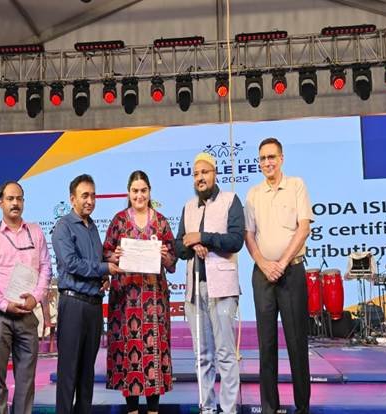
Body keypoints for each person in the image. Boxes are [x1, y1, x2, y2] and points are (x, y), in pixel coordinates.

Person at [244, 137, 314, 414]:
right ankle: (269, 408)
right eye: (262, 158)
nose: (267, 162)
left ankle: (303, 407)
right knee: (266, 344)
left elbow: (304, 228)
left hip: (291, 271)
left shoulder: (296, 185)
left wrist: (282, 263)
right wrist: (263, 263)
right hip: (262, 275)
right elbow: (249, 236)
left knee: (297, 343)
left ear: (281, 158)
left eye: (271, 157)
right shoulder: (253, 194)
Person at [175, 152, 245, 414]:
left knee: (225, 354)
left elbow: (235, 241)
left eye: (204, 172)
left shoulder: (230, 201)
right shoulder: (188, 207)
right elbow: (179, 246)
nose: (200, 178)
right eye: (196, 174)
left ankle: (228, 409)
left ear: (215, 173)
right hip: (195, 290)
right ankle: (207, 407)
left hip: (223, 290)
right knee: (202, 355)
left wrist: (203, 237)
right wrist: (193, 244)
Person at [103, 170, 177, 414]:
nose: (139, 195)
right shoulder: (118, 221)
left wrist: (165, 256)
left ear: (150, 192)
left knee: (154, 350)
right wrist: (113, 256)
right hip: (125, 301)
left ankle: (154, 411)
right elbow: (105, 253)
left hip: (154, 301)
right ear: (128, 192)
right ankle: (132, 410)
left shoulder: (161, 222)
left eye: (143, 190)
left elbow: (173, 262)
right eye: (135, 191)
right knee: (129, 354)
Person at [0, 181, 52, 414]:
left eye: (19, 198)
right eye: (10, 199)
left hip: (27, 314)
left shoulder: (36, 232)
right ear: (1, 203)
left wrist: (36, 298)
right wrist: (4, 304)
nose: (15, 203)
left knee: (26, 379)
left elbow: (46, 268)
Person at [52, 174, 120, 414]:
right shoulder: (63, 226)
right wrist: (104, 268)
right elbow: (71, 263)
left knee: (87, 374)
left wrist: (104, 275)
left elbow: (94, 261)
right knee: (68, 373)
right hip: (73, 304)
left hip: (93, 306)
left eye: (93, 195)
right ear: (72, 199)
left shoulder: (92, 228)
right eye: (84, 196)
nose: (90, 200)